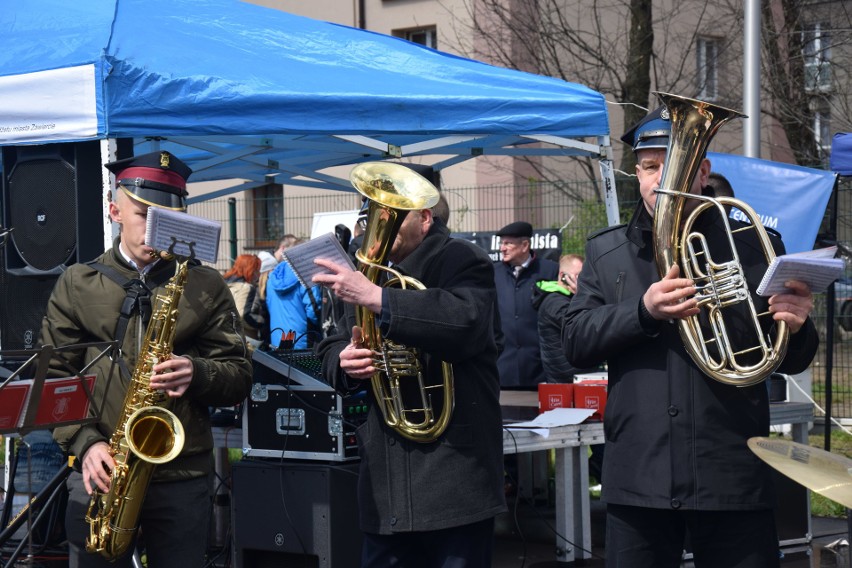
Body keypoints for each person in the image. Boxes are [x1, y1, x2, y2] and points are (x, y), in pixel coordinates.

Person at [563, 106, 819, 567]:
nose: (661, 178)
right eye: (649, 167)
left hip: (731, 472)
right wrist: (643, 311)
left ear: (702, 172)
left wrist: (797, 326)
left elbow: (791, 358)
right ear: (637, 175)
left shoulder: (756, 244)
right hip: (640, 472)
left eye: (675, 164)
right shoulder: (607, 251)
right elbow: (576, 341)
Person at [40, 150, 254, 568]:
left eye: (168, 217)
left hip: (182, 474)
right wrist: (86, 445)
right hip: (101, 470)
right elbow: (54, 381)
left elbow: (241, 375)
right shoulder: (77, 283)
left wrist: (198, 373)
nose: (157, 231)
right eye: (144, 215)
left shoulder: (205, 284)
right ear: (114, 209)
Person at [313, 195, 506, 567]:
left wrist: (379, 299)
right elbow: (332, 343)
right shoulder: (364, 272)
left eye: (391, 217)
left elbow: (465, 321)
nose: (376, 227)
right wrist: (344, 360)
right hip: (384, 482)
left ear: (425, 218)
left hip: (455, 475)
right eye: (371, 216)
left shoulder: (463, 259)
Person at [493, 221, 558, 389]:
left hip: (540, 370)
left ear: (524, 245)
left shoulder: (550, 271)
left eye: (508, 243)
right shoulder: (493, 273)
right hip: (503, 370)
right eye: (501, 243)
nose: (502, 248)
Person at [531, 253, 586, 383]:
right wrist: (582, 296)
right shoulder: (554, 302)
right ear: (562, 276)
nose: (582, 281)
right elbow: (582, 328)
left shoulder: (569, 299)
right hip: (565, 381)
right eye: (577, 276)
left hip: (574, 377)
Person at [266, 237, 322, 349]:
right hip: (303, 341)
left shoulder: (273, 276)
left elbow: (269, 305)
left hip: (277, 339)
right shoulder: (305, 274)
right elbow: (314, 312)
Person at [223, 253, 265, 349]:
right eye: (257, 270)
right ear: (251, 270)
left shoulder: (225, 284)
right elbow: (243, 314)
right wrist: (261, 323)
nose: (258, 274)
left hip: (225, 336)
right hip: (244, 339)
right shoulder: (246, 287)